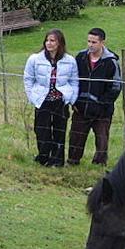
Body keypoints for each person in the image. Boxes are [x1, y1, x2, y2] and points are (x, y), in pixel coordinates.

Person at [23, 28, 78, 167]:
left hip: (60, 101)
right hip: (42, 101)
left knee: (59, 132)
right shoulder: (35, 59)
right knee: (42, 131)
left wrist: (71, 98)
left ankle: (58, 160)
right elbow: (28, 79)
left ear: (59, 43)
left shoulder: (70, 61)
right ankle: (43, 157)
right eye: (47, 40)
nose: (49, 43)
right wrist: (32, 97)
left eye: (52, 40)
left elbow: (74, 81)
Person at [68, 27, 123, 166]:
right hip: (81, 107)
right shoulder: (80, 57)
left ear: (102, 42)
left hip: (102, 111)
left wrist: (102, 104)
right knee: (76, 137)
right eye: (89, 41)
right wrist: (74, 100)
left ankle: (99, 165)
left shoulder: (111, 62)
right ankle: (73, 162)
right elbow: (72, 78)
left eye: (94, 42)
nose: (90, 45)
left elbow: (116, 87)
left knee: (102, 139)